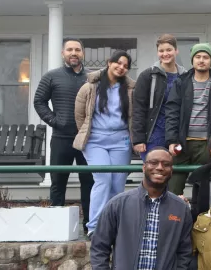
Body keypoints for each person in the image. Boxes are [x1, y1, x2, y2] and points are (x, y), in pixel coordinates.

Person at [90, 148, 193, 269]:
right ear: (144, 167)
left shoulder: (181, 209)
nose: (160, 167)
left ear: (171, 171)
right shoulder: (118, 204)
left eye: (166, 164)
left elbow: (184, 252)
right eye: (153, 163)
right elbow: (99, 247)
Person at [33, 38, 94, 233]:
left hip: (87, 140)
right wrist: (55, 121)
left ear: (82, 53)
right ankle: (55, 227)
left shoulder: (92, 78)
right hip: (61, 138)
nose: (74, 53)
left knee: (90, 184)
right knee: (58, 182)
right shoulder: (52, 76)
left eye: (77, 49)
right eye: (70, 49)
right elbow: (39, 102)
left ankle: (89, 226)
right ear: (63, 53)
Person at [73, 50, 135, 236]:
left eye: (125, 66)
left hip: (121, 140)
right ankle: (95, 226)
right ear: (109, 62)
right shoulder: (90, 87)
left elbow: (133, 116)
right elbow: (80, 115)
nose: (121, 67)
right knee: (103, 179)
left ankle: (113, 226)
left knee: (117, 185)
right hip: (95, 141)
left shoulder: (131, 89)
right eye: (118, 63)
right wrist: (88, 133)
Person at [165, 43, 211, 195]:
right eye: (198, 57)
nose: (201, 60)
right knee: (173, 188)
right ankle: (175, 218)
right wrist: (171, 140)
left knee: (204, 188)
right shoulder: (181, 82)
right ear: (192, 60)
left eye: (205, 57)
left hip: (207, 142)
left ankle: (200, 217)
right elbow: (172, 112)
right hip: (182, 142)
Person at [132, 34, 186, 160]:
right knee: (153, 171)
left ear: (176, 51)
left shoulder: (185, 76)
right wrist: (138, 139)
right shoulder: (148, 75)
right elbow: (138, 109)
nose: (165, 54)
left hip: (177, 134)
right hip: (153, 134)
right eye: (161, 51)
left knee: (173, 174)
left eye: (169, 50)